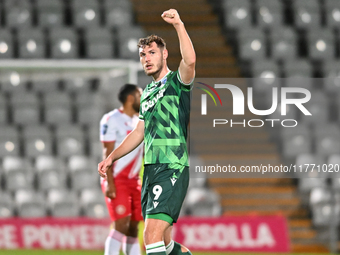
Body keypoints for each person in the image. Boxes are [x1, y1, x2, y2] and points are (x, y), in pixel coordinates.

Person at [98, 9, 195, 255]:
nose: (146, 58)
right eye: (143, 55)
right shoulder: (148, 93)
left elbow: (190, 61)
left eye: (152, 53)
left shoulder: (177, 83)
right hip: (151, 169)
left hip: (172, 165)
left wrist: (179, 25)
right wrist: (112, 158)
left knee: (149, 235)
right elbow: (139, 132)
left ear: (164, 54)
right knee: (163, 243)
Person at [99, 84, 144, 255]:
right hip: (117, 179)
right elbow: (107, 152)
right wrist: (109, 182)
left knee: (133, 227)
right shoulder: (111, 119)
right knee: (121, 223)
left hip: (134, 181)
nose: (143, 99)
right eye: (140, 95)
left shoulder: (140, 121)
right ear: (131, 98)